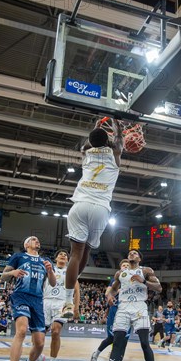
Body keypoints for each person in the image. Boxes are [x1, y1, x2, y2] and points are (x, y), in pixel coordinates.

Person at [62, 120, 123, 318]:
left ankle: (68, 301)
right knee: (86, 251)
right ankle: (72, 288)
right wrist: (117, 129)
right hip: (101, 208)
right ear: (108, 141)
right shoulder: (114, 156)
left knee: (75, 254)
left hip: (80, 205)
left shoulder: (87, 154)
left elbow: (86, 145)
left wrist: (96, 130)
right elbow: (120, 142)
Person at [1, 236, 56, 361]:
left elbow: (53, 282)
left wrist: (50, 271)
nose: (37, 240)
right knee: (22, 331)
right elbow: (2, 277)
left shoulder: (46, 261)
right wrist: (12, 273)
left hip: (38, 300)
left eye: (38, 239)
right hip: (21, 296)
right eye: (33, 239)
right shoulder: (18, 257)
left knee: (39, 343)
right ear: (26, 245)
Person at [104, 250, 162, 361]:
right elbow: (113, 289)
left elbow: (159, 288)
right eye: (130, 253)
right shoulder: (119, 274)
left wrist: (144, 281)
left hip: (139, 307)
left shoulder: (146, 271)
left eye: (135, 253)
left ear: (139, 259)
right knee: (117, 343)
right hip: (123, 308)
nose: (132, 254)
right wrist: (110, 296)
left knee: (144, 343)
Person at [89, 260, 131, 361]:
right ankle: (96, 354)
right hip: (115, 312)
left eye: (128, 265)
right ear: (120, 268)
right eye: (124, 265)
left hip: (129, 313)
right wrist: (113, 294)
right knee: (112, 339)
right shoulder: (116, 280)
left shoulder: (133, 280)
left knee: (124, 342)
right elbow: (107, 293)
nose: (126, 267)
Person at [42, 250, 80, 361]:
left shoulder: (71, 271)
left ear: (68, 259)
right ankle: (37, 357)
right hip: (46, 301)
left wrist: (76, 307)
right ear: (56, 258)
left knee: (56, 331)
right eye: (60, 254)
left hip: (64, 303)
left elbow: (76, 290)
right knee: (40, 335)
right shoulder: (47, 268)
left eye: (65, 254)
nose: (63, 255)